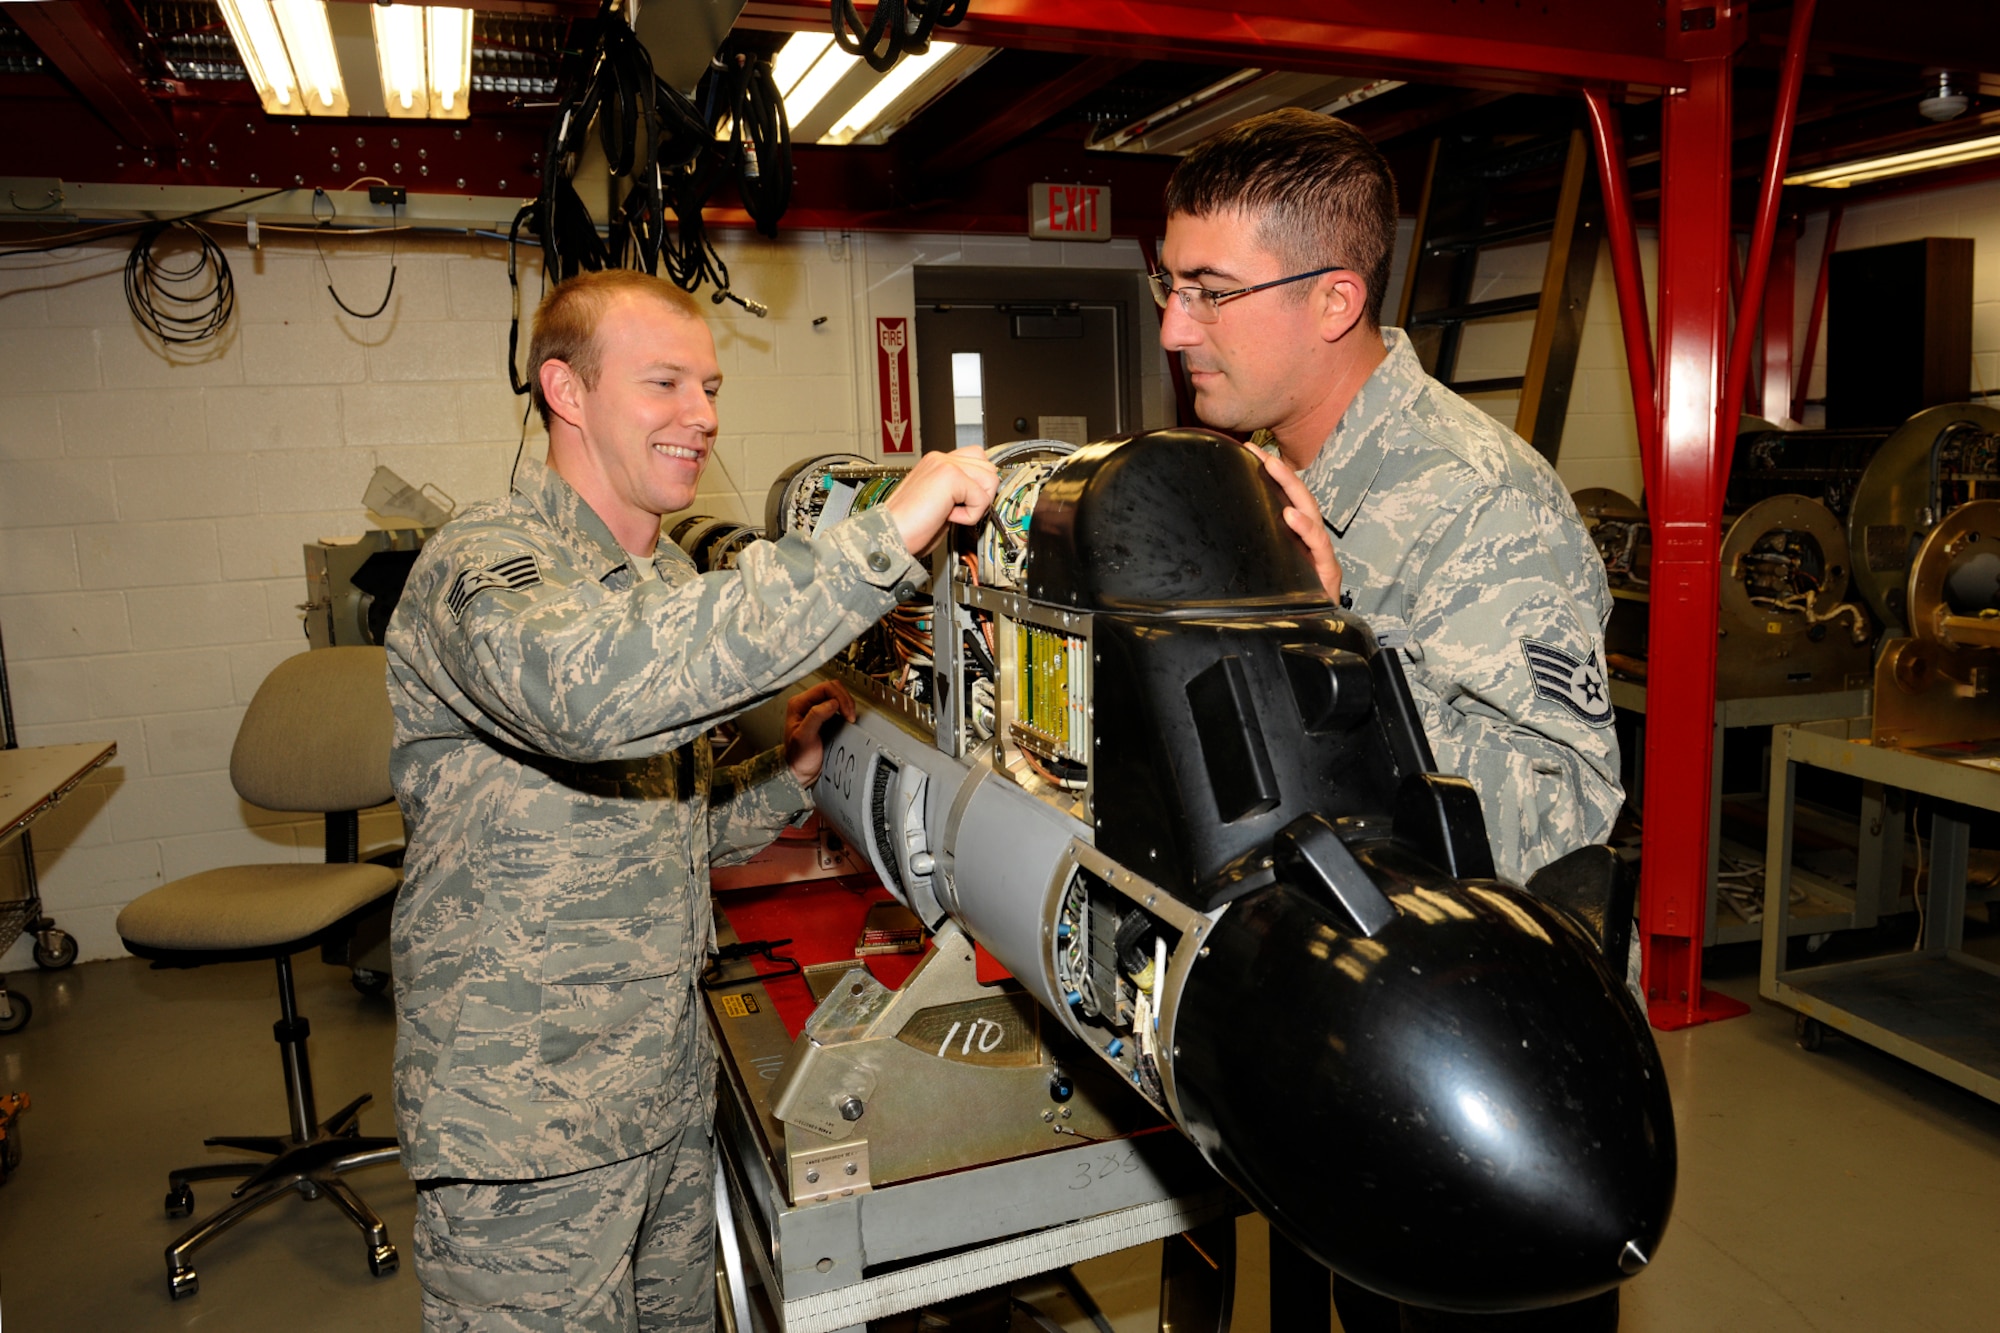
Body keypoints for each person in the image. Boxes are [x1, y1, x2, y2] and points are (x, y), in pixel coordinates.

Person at [384, 268, 997, 1331]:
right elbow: (590, 698)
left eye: (709, 386)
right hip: (525, 1118)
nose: (701, 417)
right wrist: (878, 538)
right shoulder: (485, 564)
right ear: (564, 391)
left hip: (658, 1089)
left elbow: (660, 829)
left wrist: (785, 779)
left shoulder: (664, 578)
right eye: (663, 383)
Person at [1154, 109, 1626, 1332]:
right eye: (1168, 287)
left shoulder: (1481, 505)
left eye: (1207, 292)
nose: (1172, 329)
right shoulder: (1257, 481)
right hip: (1338, 1043)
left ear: (1330, 298)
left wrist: (1340, 648)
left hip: (1483, 1092)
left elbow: (1558, 820)